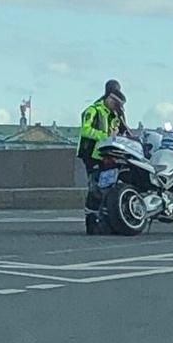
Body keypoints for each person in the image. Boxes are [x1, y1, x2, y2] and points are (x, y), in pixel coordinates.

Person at [77, 89, 127, 234]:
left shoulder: (112, 115)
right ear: (110, 100)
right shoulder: (93, 110)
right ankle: (91, 224)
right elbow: (85, 130)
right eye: (116, 105)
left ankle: (105, 222)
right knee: (95, 188)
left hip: (107, 155)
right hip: (91, 155)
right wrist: (105, 135)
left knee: (107, 187)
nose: (116, 109)